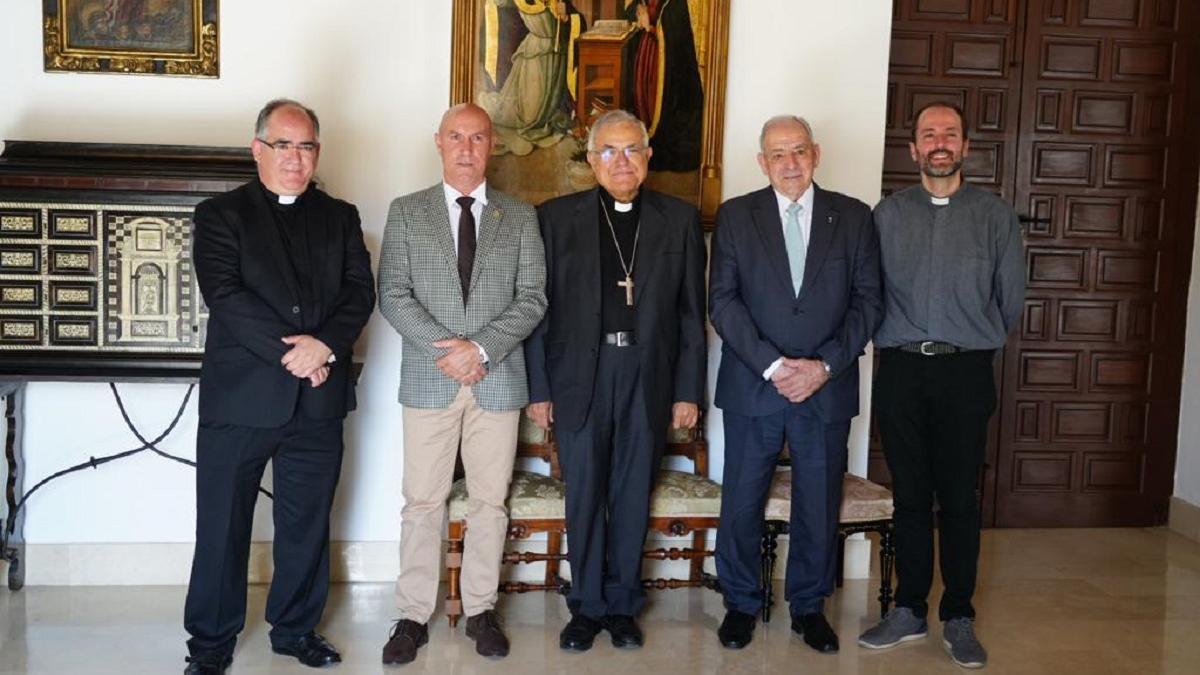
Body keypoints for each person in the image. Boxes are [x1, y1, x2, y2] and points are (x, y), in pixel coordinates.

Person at [183, 99, 375, 674]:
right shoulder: (219, 215)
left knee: (306, 523)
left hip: (318, 401)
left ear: (318, 152)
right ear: (257, 149)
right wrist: (297, 355)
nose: (296, 157)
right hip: (241, 400)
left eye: (306, 146)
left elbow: (359, 294)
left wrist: (326, 346)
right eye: (283, 145)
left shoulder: (340, 216)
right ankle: (210, 644)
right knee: (222, 526)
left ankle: (294, 630)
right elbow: (226, 296)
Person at [525, 109, 707, 652]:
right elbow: (537, 310)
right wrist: (539, 390)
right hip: (579, 374)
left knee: (631, 492)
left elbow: (691, 315)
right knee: (584, 493)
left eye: (631, 150)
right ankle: (586, 606)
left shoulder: (679, 219)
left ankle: (623, 605)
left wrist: (688, 390)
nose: (621, 161)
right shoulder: (555, 218)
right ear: (591, 159)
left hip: (648, 375)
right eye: (608, 150)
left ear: (648, 157)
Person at [376, 103, 547, 665]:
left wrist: (482, 349)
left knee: (490, 502)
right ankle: (412, 615)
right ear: (439, 142)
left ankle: (480, 609)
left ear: (492, 144)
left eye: (477, 137)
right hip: (431, 380)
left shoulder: (520, 216)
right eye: (456, 136)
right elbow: (392, 294)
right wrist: (449, 351)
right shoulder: (407, 212)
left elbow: (533, 299)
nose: (466, 148)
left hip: (497, 380)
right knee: (422, 502)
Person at [857, 101, 1025, 670]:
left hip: (965, 371)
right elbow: (869, 290)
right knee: (908, 494)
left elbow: (1009, 298)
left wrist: (968, 335)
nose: (939, 143)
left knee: (958, 497)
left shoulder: (994, 217)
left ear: (965, 146)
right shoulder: (887, 215)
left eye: (949, 133)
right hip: (902, 370)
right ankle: (908, 609)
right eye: (929, 134)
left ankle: (958, 615)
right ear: (913, 149)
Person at [709, 115, 883, 653]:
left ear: (816, 154)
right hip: (753, 384)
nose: (790, 163)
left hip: (825, 387)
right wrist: (772, 366)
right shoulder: (736, 216)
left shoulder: (853, 216)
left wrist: (823, 367)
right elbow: (723, 301)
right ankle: (741, 603)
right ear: (762, 162)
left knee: (818, 500)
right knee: (742, 499)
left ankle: (809, 607)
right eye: (778, 154)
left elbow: (868, 302)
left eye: (799, 151)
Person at [622, 0, 703, 171]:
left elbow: (675, 33)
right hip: (649, 53)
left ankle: (658, 146)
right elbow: (632, 9)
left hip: (668, 64)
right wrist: (639, 10)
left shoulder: (675, 5)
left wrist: (651, 27)